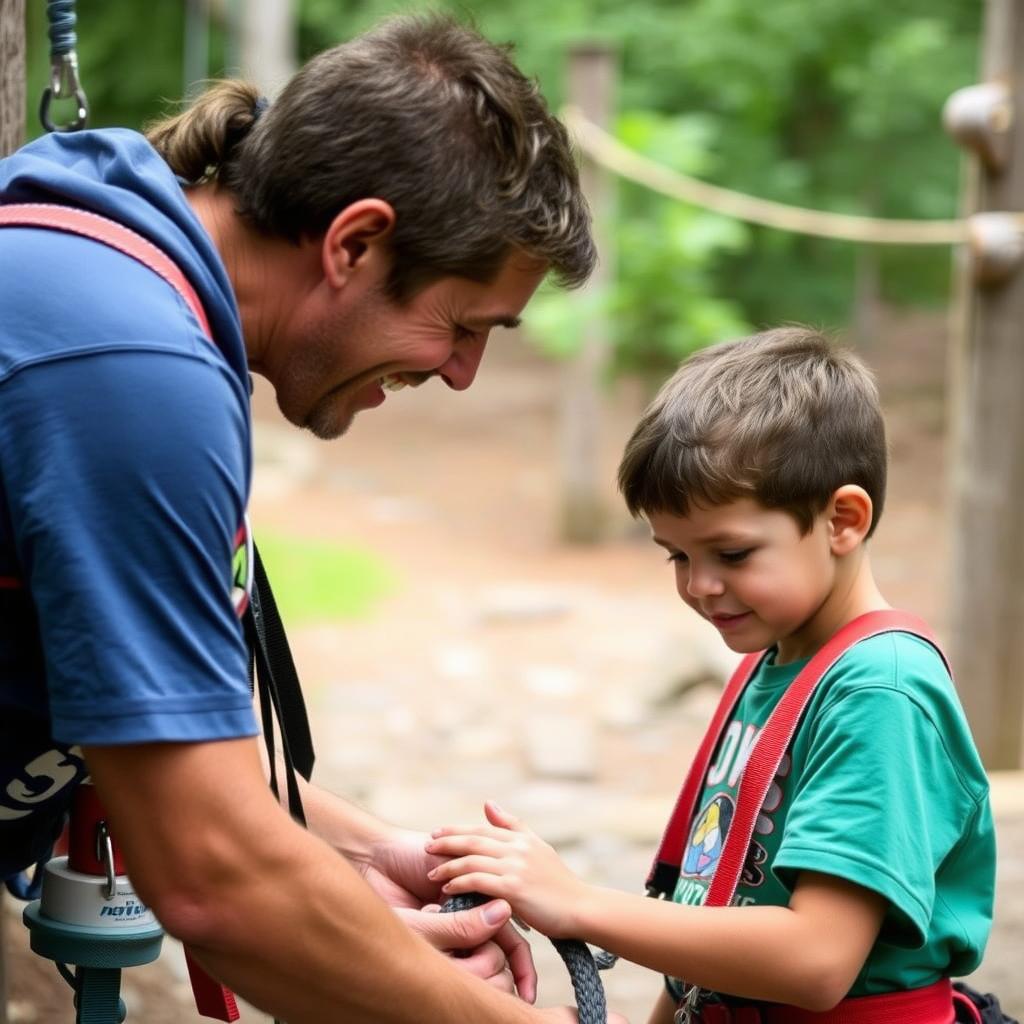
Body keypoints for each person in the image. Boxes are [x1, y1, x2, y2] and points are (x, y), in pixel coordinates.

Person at [0, 14, 611, 1023]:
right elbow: (214, 875)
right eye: (462, 327)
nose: (462, 375)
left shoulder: (118, 265)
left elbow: (163, 757)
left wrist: (363, 855)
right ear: (355, 241)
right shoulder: (128, 374)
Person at [426, 328, 996, 1022]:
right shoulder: (773, 667)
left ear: (842, 520)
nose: (700, 586)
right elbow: (711, 909)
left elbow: (817, 959)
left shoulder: (880, 692)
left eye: (731, 553)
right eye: (676, 556)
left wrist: (579, 903)